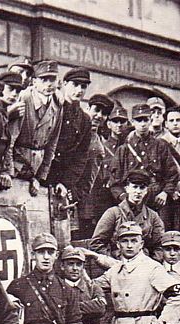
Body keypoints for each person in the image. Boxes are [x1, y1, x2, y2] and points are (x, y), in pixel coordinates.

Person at [108, 103, 179, 228]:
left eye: (145, 120)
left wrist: (165, 193)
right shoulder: (124, 150)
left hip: (157, 199)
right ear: (132, 122)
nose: (142, 124)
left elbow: (172, 174)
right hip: (132, 202)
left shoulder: (160, 146)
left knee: (160, 232)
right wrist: (125, 199)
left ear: (150, 120)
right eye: (138, 120)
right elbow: (114, 182)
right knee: (132, 233)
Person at [11, 60, 63, 197]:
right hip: (16, 166)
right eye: (44, 79)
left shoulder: (57, 104)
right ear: (34, 82)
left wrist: (39, 177)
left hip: (35, 171)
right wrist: (8, 171)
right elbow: (11, 139)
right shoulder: (25, 98)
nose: (49, 84)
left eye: (52, 79)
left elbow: (52, 144)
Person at [90, 171, 165, 258]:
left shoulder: (153, 216)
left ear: (146, 191)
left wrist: (150, 263)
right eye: (134, 187)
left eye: (142, 188)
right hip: (118, 262)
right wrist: (114, 261)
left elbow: (160, 246)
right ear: (127, 188)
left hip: (143, 263)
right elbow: (96, 244)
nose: (138, 191)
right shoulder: (113, 213)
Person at [46, 67, 92, 206]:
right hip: (39, 173)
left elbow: (80, 156)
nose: (79, 90)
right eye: (75, 84)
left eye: (83, 86)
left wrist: (65, 183)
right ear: (64, 84)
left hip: (60, 182)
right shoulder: (52, 108)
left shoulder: (84, 120)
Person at [77, 93, 114, 238]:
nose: (99, 116)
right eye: (96, 110)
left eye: (104, 114)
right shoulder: (73, 130)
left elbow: (89, 181)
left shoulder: (97, 145)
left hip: (79, 200)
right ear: (88, 108)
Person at [92, 105, 129, 220]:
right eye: (115, 121)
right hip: (106, 197)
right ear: (108, 124)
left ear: (127, 124)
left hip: (127, 195)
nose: (119, 125)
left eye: (122, 121)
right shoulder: (102, 147)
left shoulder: (131, 147)